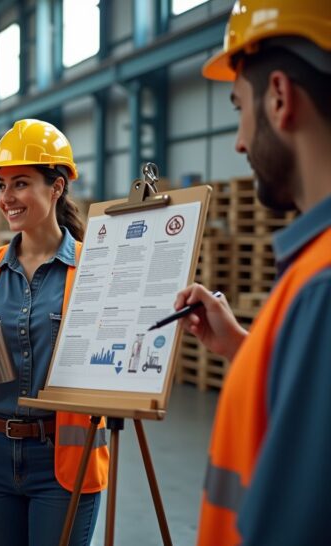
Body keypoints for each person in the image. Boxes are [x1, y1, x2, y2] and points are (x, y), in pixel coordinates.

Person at [173, 1, 331, 544]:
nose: (239, 141)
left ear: (280, 98)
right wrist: (245, 349)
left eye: (239, 107)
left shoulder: (322, 288)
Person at [0, 119, 109, 546]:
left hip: (64, 457)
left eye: (20, 183)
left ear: (56, 187)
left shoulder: (94, 267)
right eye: (0, 186)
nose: (6, 198)